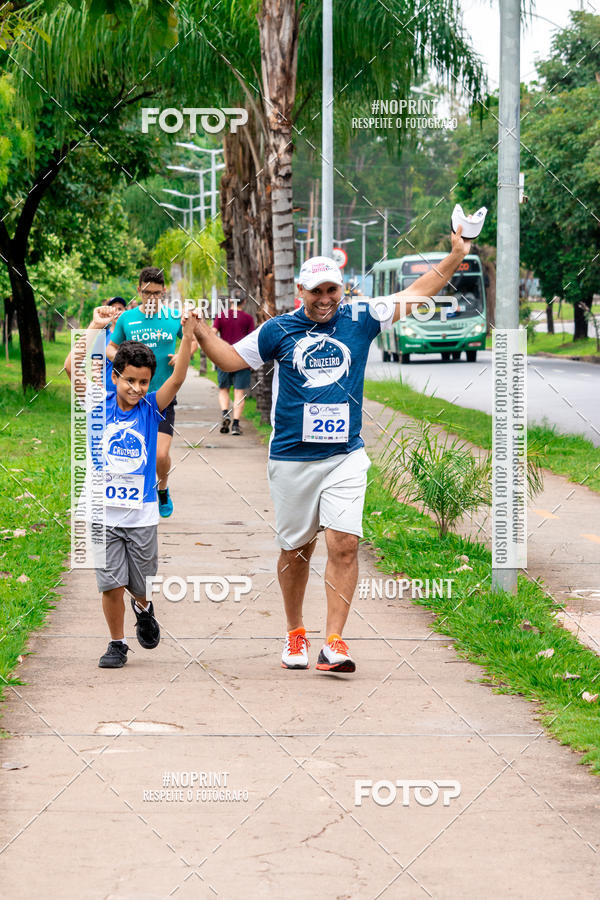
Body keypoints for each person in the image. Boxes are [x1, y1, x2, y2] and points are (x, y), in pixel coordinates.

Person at [191, 227, 472, 675]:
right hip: (291, 458)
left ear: (342, 289)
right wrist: (201, 333)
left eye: (332, 289)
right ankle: (295, 633)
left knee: (344, 544)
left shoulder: (362, 317)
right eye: (317, 290)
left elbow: (418, 290)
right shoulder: (278, 330)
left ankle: (334, 643)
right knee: (296, 549)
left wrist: (457, 254)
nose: (325, 298)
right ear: (301, 291)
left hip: (345, 455)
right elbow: (230, 361)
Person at [66, 306, 197, 668]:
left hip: (140, 515)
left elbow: (179, 377)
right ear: (115, 376)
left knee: (138, 584)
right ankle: (117, 643)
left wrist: (187, 336)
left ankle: (143, 608)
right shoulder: (98, 404)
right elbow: (70, 368)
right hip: (101, 512)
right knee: (110, 584)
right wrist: (94, 326)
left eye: (143, 382)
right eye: (129, 381)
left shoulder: (152, 407)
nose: (136, 388)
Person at [107, 267, 193, 518]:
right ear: (139, 290)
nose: (152, 298)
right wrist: (123, 360)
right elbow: (111, 347)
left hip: (161, 397)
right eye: (147, 293)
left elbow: (192, 340)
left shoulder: (174, 317)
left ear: (164, 292)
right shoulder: (127, 319)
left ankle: (162, 488)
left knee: (160, 454)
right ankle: (128, 495)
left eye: (157, 293)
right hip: (131, 396)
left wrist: (181, 354)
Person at [212, 293, 254, 435]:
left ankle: (225, 414)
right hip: (242, 360)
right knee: (239, 392)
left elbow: (212, 334)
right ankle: (236, 425)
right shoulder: (248, 319)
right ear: (245, 301)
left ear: (230, 301)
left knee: (224, 389)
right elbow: (251, 340)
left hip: (224, 358)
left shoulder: (221, 316)